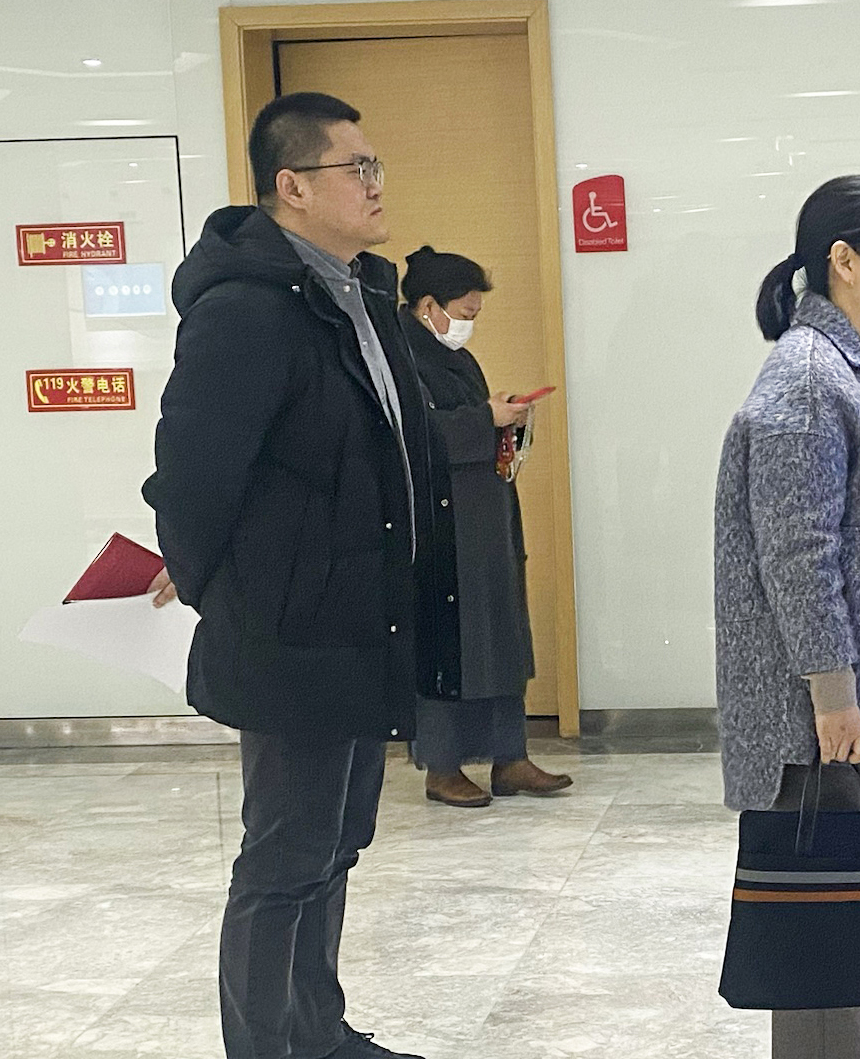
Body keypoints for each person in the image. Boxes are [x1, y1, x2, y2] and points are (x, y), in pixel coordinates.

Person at [142, 91, 456, 1059]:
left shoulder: (359, 294)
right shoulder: (246, 311)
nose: (375, 185)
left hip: (364, 623)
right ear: (292, 186)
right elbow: (190, 475)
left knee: (336, 844)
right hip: (290, 637)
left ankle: (317, 1034)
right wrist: (231, 596)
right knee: (281, 859)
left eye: (374, 167)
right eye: (355, 169)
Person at [713, 173, 860, 1059]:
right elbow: (796, 555)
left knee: (851, 921)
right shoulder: (808, 379)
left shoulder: (854, 362)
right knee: (825, 937)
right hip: (816, 706)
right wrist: (832, 690)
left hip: (852, 693)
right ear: (844, 260)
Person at [393, 246, 573, 807]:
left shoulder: (459, 359)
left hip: (484, 522)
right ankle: (442, 766)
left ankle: (509, 757)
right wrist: (483, 418)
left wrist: (501, 414)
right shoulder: (401, 359)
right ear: (429, 306)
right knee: (450, 642)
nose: (469, 322)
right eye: (464, 311)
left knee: (499, 633)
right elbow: (411, 437)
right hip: (442, 526)